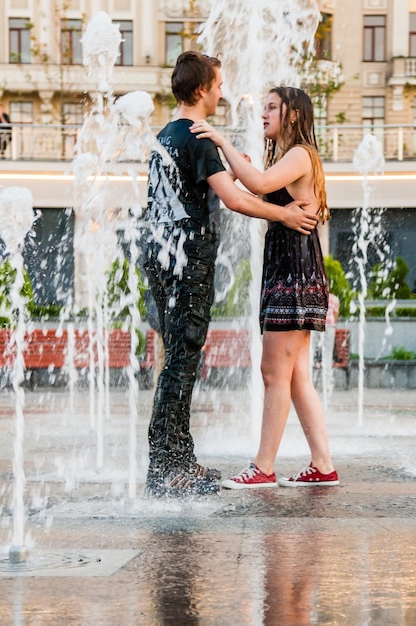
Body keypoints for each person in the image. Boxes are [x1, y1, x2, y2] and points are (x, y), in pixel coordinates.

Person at [142, 55, 319, 498]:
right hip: (190, 261)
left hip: (163, 259)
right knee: (182, 363)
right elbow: (238, 199)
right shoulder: (199, 138)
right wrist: (282, 213)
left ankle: (174, 457)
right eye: (219, 84)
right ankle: (168, 464)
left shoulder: (166, 134)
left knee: (176, 362)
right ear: (202, 90)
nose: (224, 92)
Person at [191, 85, 339, 488]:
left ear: (293, 114)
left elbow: (255, 184)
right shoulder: (291, 156)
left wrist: (221, 141)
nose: (264, 113)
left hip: (292, 273)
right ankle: (323, 466)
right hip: (294, 269)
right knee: (295, 377)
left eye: (273, 107)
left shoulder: (299, 154)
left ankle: (263, 467)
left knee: (273, 373)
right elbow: (254, 189)